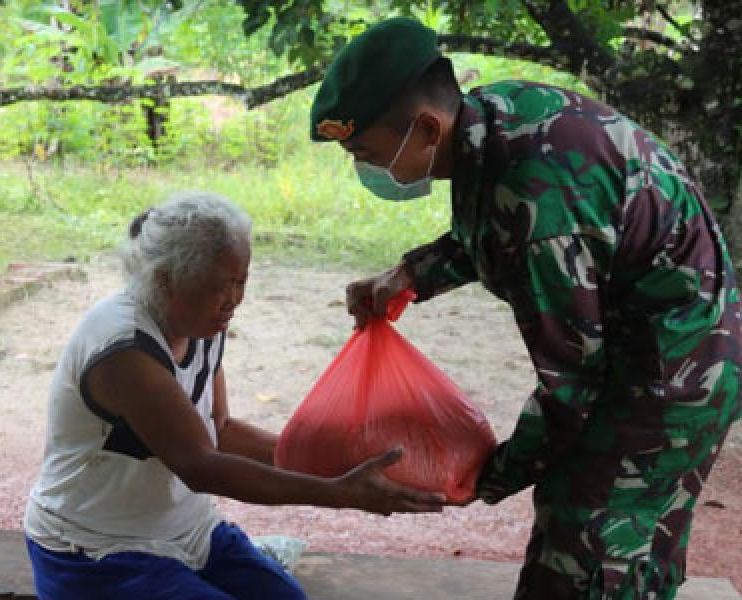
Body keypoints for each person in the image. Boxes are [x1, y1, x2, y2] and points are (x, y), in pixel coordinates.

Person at [310, 17, 742, 600]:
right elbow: (497, 227)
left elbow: (571, 384)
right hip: (675, 341)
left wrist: (484, 476)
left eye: (363, 151)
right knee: (619, 539)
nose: (360, 166)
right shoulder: (495, 118)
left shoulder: (533, 193)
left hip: (673, 373)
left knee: (586, 546)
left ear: (426, 127)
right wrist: (410, 274)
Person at [22, 191, 445, 600]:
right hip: (94, 551)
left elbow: (220, 431)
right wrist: (337, 492)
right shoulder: (125, 351)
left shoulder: (200, 323)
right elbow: (201, 466)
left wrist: (332, 462)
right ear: (165, 280)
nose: (234, 300)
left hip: (189, 533)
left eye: (241, 281)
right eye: (221, 286)